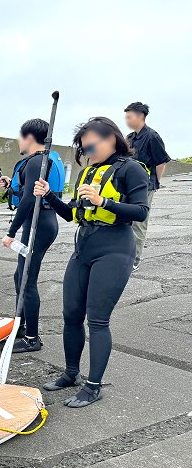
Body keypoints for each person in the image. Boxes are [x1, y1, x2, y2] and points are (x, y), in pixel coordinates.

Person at [34, 117, 149, 407]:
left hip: (115, 248)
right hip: (84, 247)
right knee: (71, 314)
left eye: (91, 144)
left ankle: (93, 386)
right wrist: (49, 196)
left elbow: (140, 211)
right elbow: (73, 214)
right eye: (84, 147)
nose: (87, 150)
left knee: (97, 319)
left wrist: (104, 202)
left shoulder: (132, 169)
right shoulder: (87, 174)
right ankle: (71, 373)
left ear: (111, 138)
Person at [1, 119, 62, 352]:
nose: (18, 140)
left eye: (20, 136)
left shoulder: (37, 161)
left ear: (29, 137)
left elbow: (28, 200)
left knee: (27, 280)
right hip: (39, 222)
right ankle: (20, 326)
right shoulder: (42, 160)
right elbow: (26, 192)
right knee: (21, 277)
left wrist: (10, 232)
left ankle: (32, 338)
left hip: (39, 224)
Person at [124, 102, 171, 270]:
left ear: (140, 116)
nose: (127, 120)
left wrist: (155, 182)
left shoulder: (152, 136)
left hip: (146, 185)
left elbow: (161, 162)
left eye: (129, 116)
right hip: (128, 184)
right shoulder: (129, 138)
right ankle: (124, 253)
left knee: (139, 221)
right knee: (125, 218)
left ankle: (135, 259)